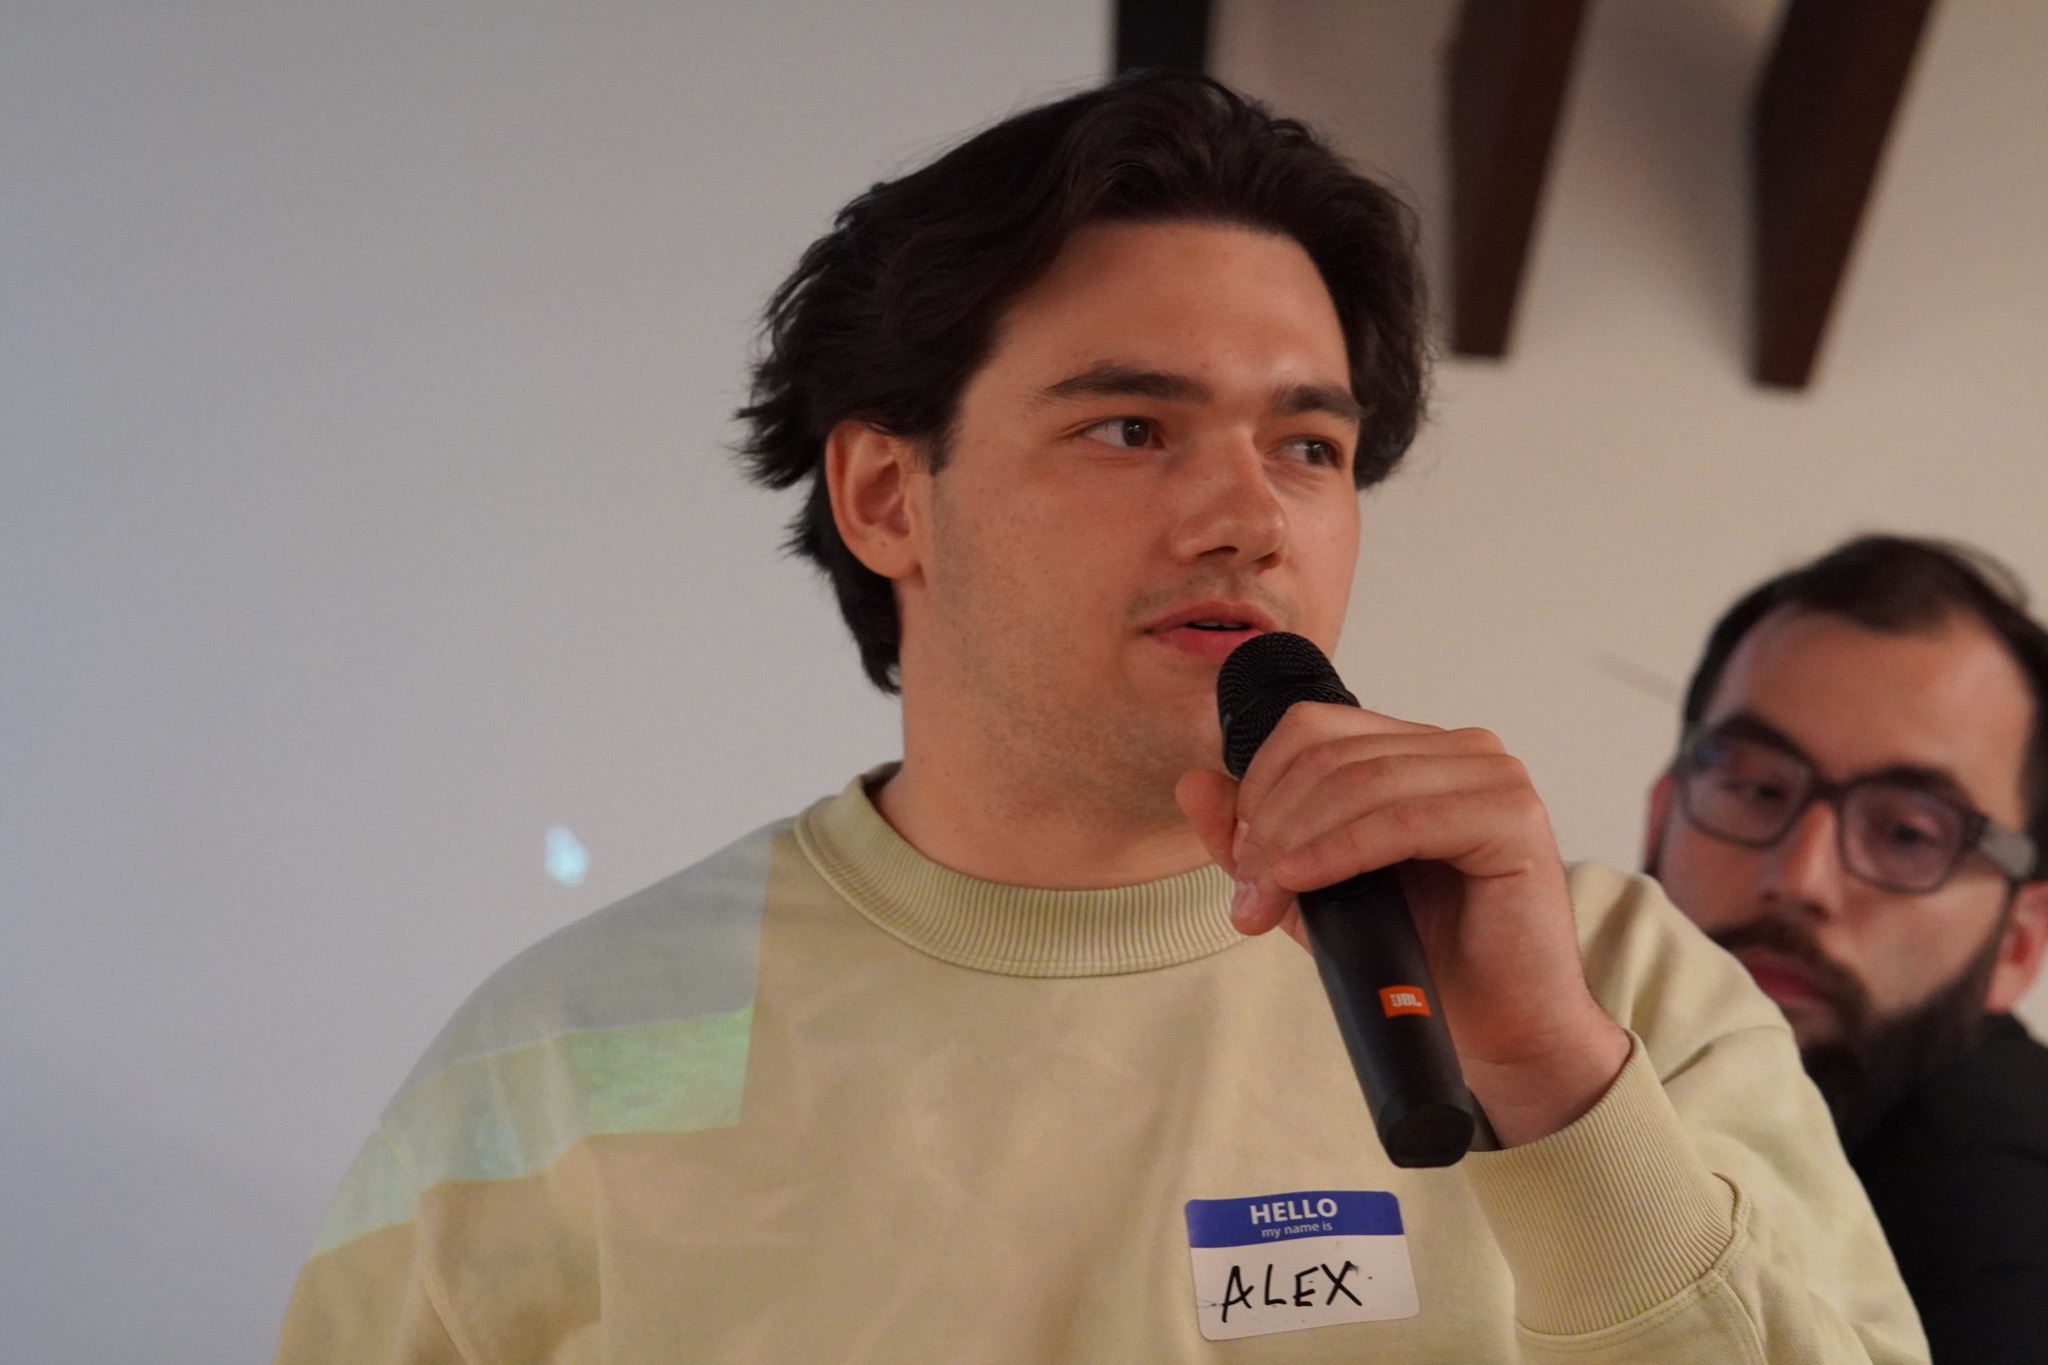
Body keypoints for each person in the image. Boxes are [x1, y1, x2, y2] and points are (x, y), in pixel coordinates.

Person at [276, 75, 1922, 1362]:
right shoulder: (559, 1066)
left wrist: (1556, 1095)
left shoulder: (1617, 992)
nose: (1250, 519)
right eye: (1133, 428)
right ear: (884, 495)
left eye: (1308, 448)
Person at [1645, 534, 2048, 1363]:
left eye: (1908, 832)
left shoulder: (1996, 1212)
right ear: (1662, 814)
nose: (1800, 877)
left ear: (2018, 942)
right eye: (1757, 787)